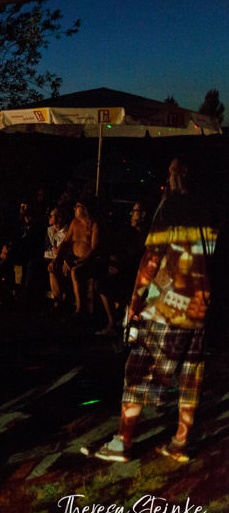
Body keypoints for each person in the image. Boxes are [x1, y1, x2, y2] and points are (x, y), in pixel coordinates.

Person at [88, 158, 218, 464]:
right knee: (190, 375)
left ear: (175, 176)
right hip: (199, 303)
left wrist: (135, 301)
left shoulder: (170, 208)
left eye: (170, 172)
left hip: (168, 303)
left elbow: (151, 258)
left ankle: (123, 442)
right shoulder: (209, 210)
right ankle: (180, 442)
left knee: (137, 371)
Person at [95, 202, 150, 337]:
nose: (132, 214)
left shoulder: (150, 235)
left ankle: (125, 323)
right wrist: (115, 263)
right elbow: (117, 253)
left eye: (135, 211)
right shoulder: (127, 234)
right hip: (127, 273)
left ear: (143, 215)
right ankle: (113, 323)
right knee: (102, 284)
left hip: (142, 277)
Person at [48, 198, 102, 316]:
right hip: (73, 257)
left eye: (77, 206)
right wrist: (58, 259)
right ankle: (58, 303)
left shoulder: (94, 225)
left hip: (87, 261)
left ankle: (79, 309)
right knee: (52, 267)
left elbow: (94, 250)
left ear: (84, 209)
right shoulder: (74, 223)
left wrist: (77, 261)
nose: (74, 209)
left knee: (75, 272)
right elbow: (66, 242)